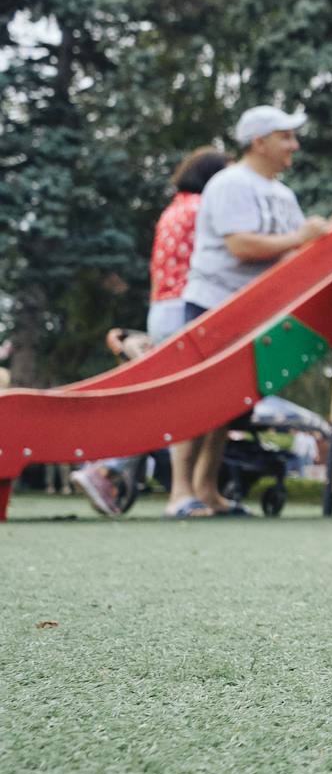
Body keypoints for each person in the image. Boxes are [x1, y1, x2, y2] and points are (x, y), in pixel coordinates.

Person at [170, 108, 329, 518]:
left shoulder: (283, 194)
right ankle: (179, 492)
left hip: (256, 313)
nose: (294, 145)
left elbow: (294, 254)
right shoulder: (229, 184)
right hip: (214, 305)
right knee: (195, 401)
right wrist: (301, 236)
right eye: (285, 137)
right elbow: (240, 246)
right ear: (258, 141)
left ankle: (207, 490)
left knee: (228, 405)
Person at [73, 147, 231, 517]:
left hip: (163, 306)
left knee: (169, 395)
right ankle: (108, 466)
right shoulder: (200, 210)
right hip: (185, 306)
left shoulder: (175, 209)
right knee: (179, 402)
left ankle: (113, 467)